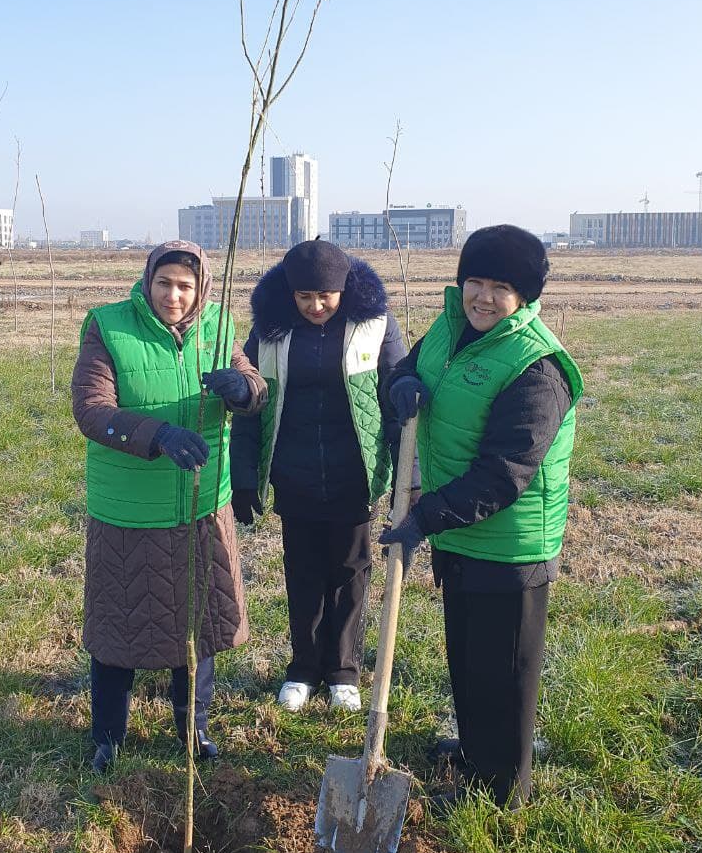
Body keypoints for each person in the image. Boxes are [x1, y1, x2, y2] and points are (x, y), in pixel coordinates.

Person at [379, 224, 583, 809]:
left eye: (501, 286)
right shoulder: (448, 330)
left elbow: (505, 474)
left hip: (508, 543)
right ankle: (474, 750)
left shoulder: (536, 368)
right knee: (468, 655)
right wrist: (404, 385)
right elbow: (404, 373)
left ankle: (500, 791)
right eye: (476, 281)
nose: (484, 297)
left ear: (524, 295)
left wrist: (425, 517)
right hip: (459, 532)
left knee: (505, 671)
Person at [72, 240, 266, 773]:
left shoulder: (219, 325)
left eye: (185, 286)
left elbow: (255, 386)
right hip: (130, 511)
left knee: (196, 624)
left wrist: (243, 389)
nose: (173, 296)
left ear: (200, 287)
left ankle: (193, 727)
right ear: (148, 281)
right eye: (164, 284)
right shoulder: (109, 327)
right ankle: (108, 733)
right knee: (121, 622)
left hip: (200, 504)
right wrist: (157, 434)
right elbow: (91, 410)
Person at [230, 239, 411, 712]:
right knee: (303, 570)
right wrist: (244, 474)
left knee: (350, 570)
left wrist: (405, 480)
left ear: (344, 288)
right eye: (304, 297)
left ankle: (343, 670)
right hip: (294, 473)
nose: (315, 306)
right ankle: (304, 668)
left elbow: (396, 401)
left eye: (325, 297)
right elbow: (250, 405)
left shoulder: (374, 325)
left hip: (355, 472)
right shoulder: (270, 332)